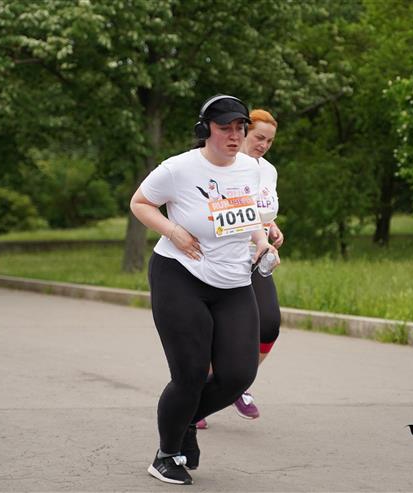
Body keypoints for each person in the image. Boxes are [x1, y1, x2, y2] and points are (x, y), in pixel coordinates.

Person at [130, 94, 280, 485]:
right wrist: (173, 231)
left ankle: (186, 419)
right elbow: (140, 203)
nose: (234, 135)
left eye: (240, 128)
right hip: (180, 275)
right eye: (224, 128)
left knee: (238, 375)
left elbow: (251, 214)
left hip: (234, 281)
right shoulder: (178, 168)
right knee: (191, 374)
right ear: (205, 130)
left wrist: (261, 242)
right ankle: (166, 454)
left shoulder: (250, 169)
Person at [196, 109, 283, 429]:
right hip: (222, 256)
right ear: (244, 133)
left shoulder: (268, 170)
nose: (263, 145)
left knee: (269, 324)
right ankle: (202, 393)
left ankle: (236, 384)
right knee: (216, 331)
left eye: (269, 141)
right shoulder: (224, 165)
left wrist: (272, 227)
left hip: (255, 256)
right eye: (259, 137)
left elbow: (264, 210)